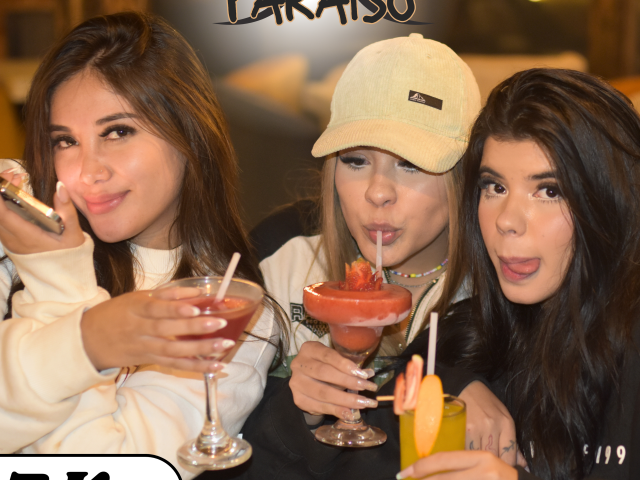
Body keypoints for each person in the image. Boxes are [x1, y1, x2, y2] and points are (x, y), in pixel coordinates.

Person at [218, 35, 516, 480]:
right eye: (355, 160)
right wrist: (298, 411)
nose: (378, 192)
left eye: (411, 163)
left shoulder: (508, 279)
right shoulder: (281, 255)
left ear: (464, 173)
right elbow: (218, 438)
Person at [0, 11, 281, 477]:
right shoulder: (19, 236)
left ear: (189, 132)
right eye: (65, 141)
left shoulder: (228, 312)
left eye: (117, 132)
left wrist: (59, 283)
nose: (87, 172)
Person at [397, 68, 640, 480]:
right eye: (494, 187)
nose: (506, 220)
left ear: (609, 201)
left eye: (549, 190)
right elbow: (407, 369)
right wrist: (456, 384)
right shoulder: (488, 327)